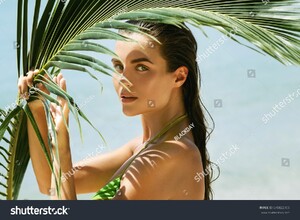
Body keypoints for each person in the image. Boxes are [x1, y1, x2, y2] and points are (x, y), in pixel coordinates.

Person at [18, 21, 215, 200]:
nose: (123, 80)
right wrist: (37, 110)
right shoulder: (146, 147)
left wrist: (63, 148)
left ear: (179, 77)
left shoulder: (170, 155)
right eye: (119, 67)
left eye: (141, 68)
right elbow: (50, 185)